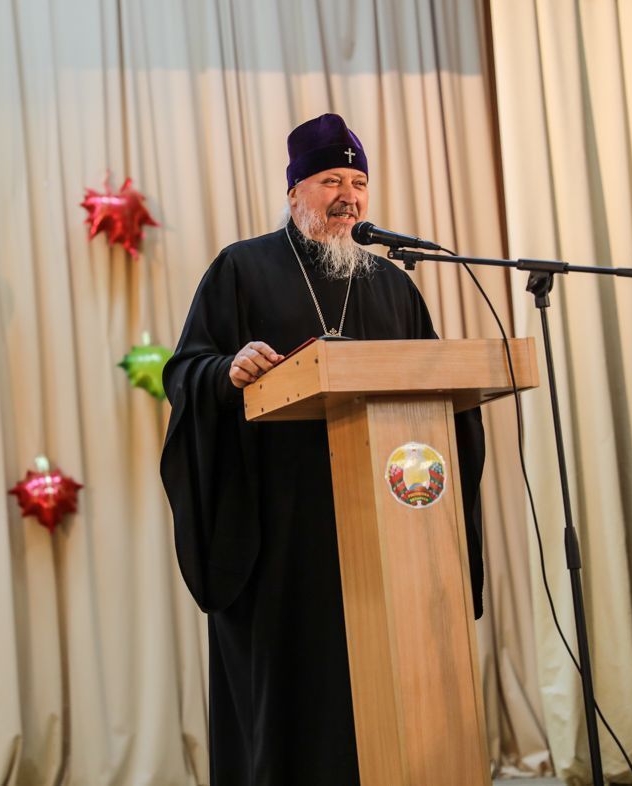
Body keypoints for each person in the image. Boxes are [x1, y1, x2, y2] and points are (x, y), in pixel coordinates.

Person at [160, 114, 486, 785]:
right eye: (331, 180)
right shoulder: (242, 267)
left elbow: (441, 392)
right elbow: (184, 370)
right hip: (282, 532)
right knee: (293, 702)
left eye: (358, 183)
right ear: (294, 193)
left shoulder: (392, 283)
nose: (349, 196)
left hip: (389, 531)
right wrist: (226, 369)